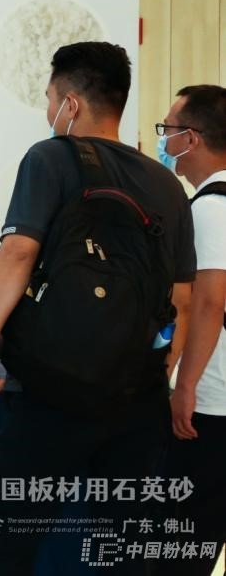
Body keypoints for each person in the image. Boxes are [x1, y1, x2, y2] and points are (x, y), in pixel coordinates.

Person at [0, 42, 195, 574]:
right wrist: (159, 370)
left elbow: (18, 251)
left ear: (70, 104)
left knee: (11, 543)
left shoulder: (50, 157)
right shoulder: (165, 182)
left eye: (51, 100)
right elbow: (181, 299)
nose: (48, 111)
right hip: (137, 396)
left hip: (55, 389)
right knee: (122, 549)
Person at [159, 85, 226, 574]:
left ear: (192, 137)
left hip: (212, 397)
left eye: (168, 130)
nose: (165, 140)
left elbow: (208, 301)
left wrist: (185, 387)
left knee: (184, 540)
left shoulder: (210, 208)